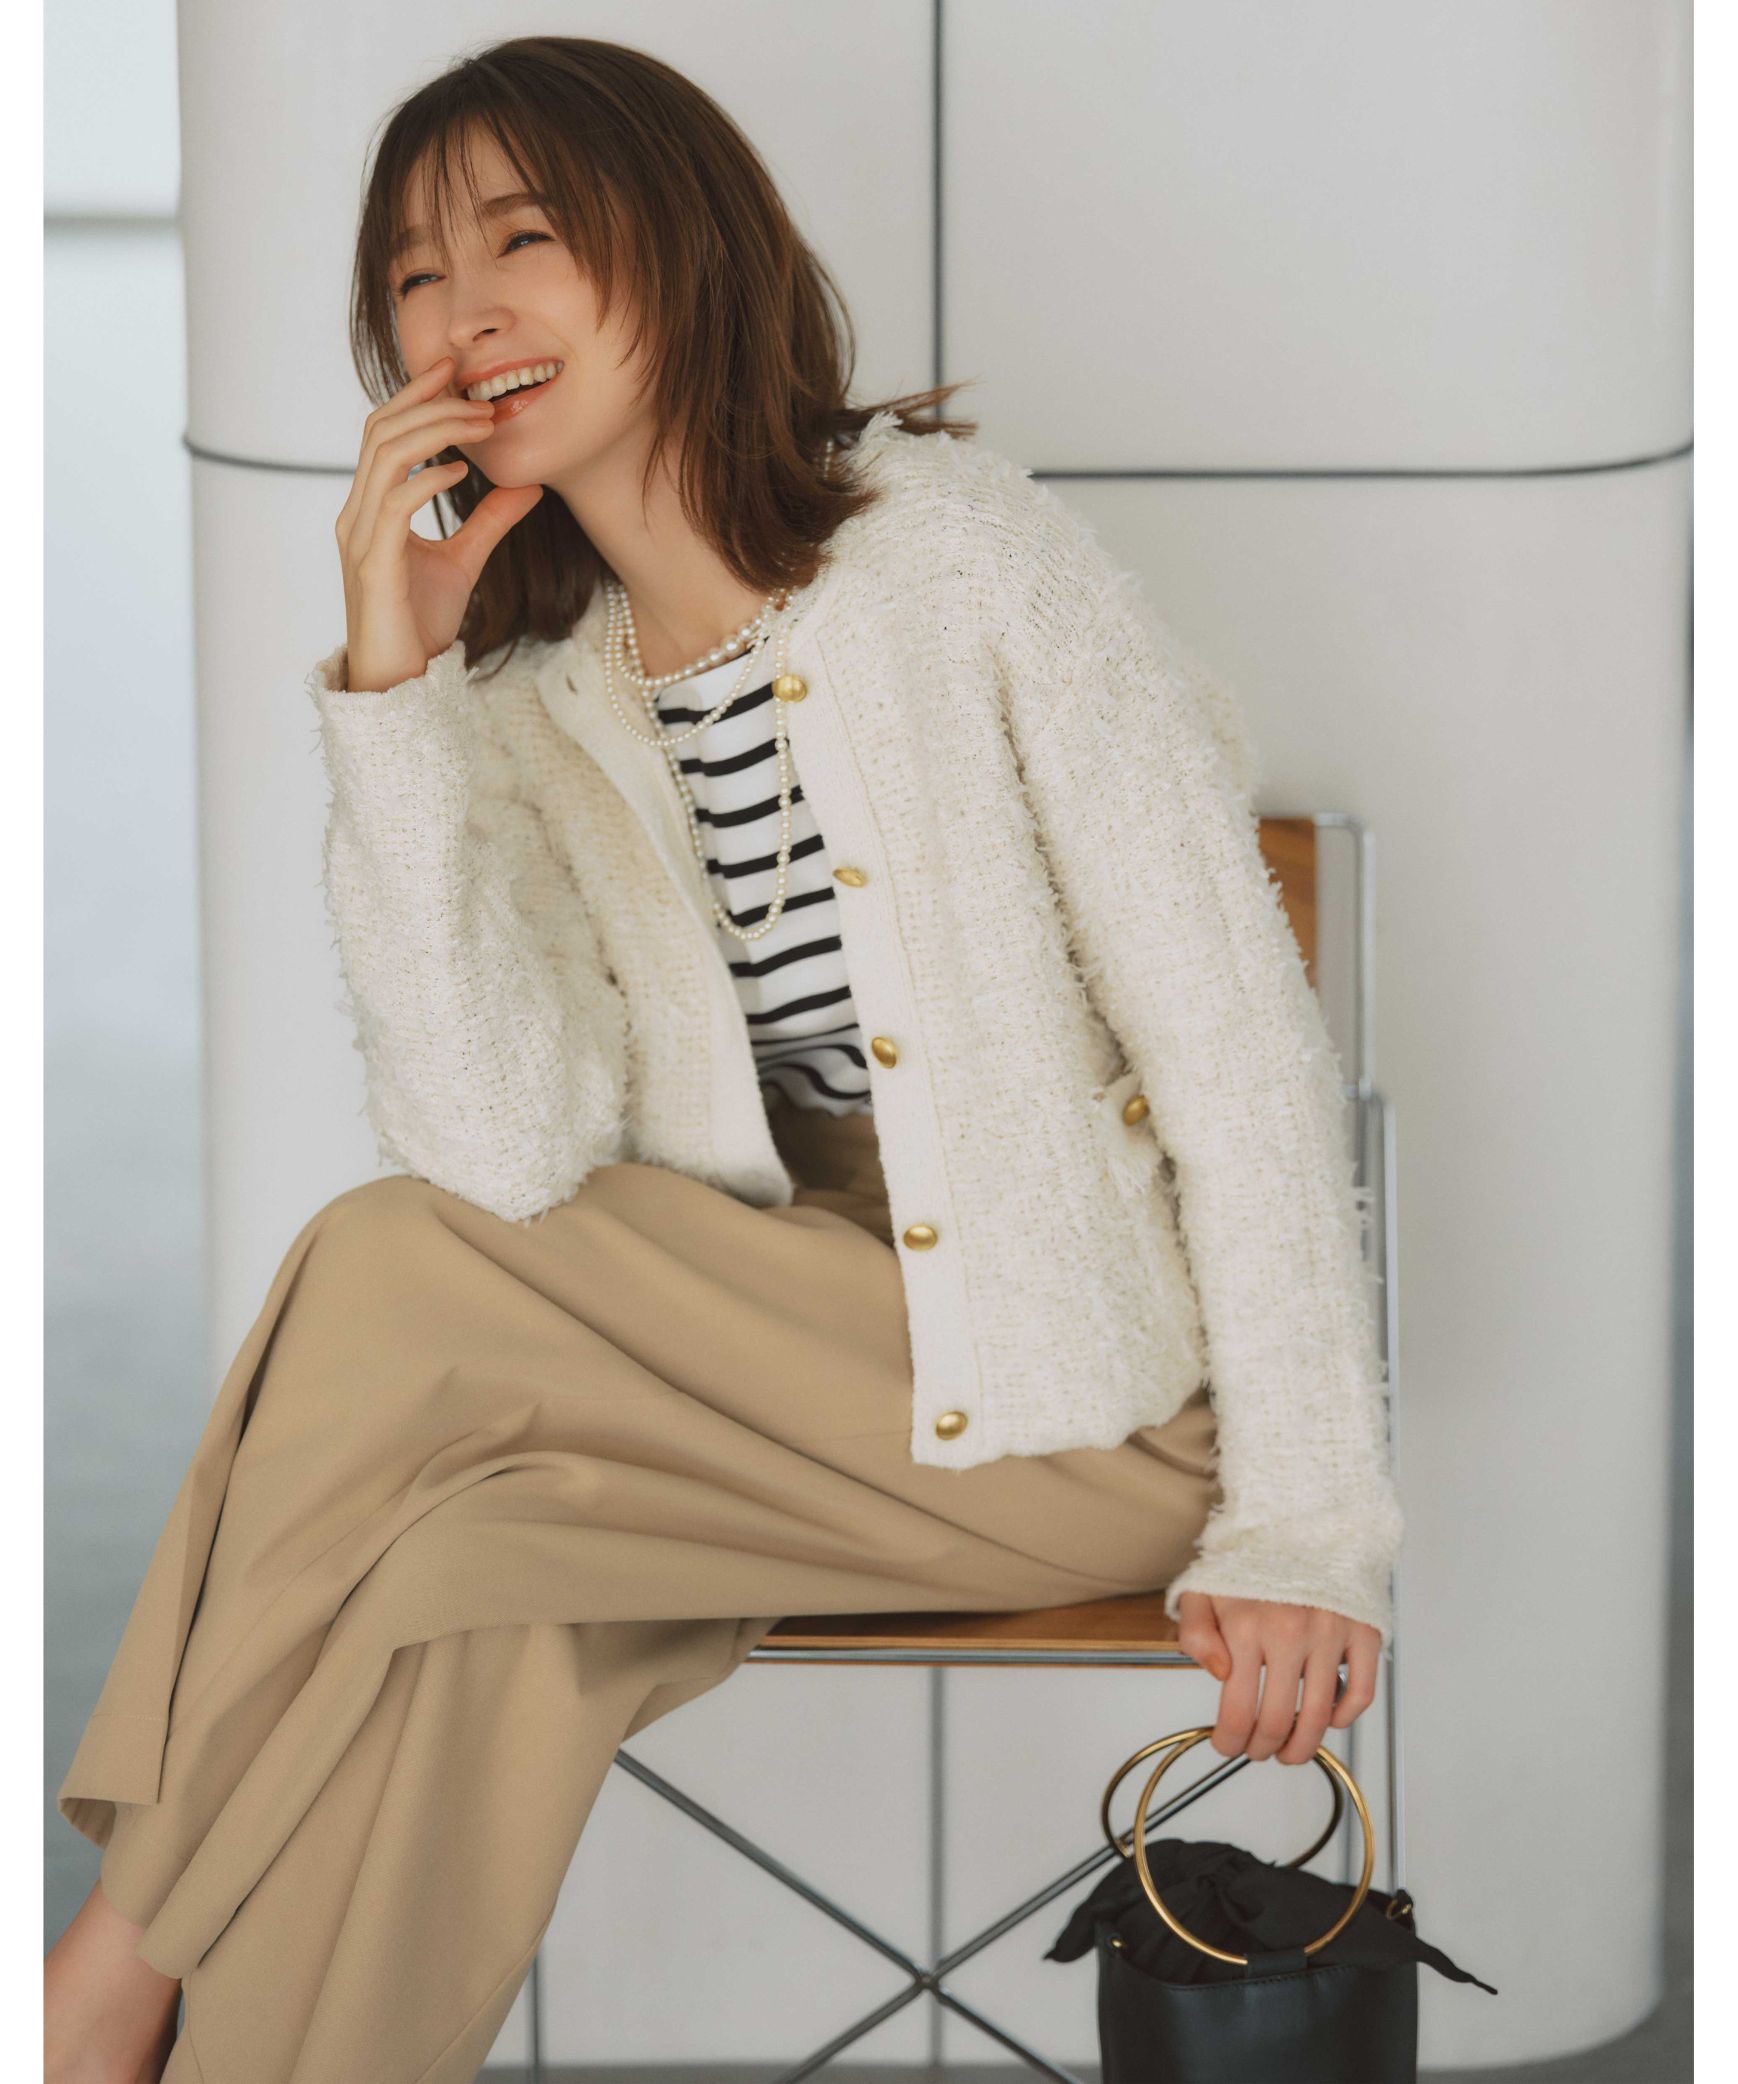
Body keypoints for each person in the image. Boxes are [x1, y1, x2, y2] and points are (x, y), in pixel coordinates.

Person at [46, 33, 1404, 2084]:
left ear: (678, 248)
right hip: (776, 1353)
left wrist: (1304, 1527)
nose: (461, 311)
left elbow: (1238, 1056)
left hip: (1077, 1401)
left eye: (523, 239)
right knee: (458, 1575)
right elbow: (504, 1150)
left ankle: (98, 1977)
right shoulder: (533, 685)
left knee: (383, 1262)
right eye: (412, 275)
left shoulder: (961, 562)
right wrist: (397, 681)